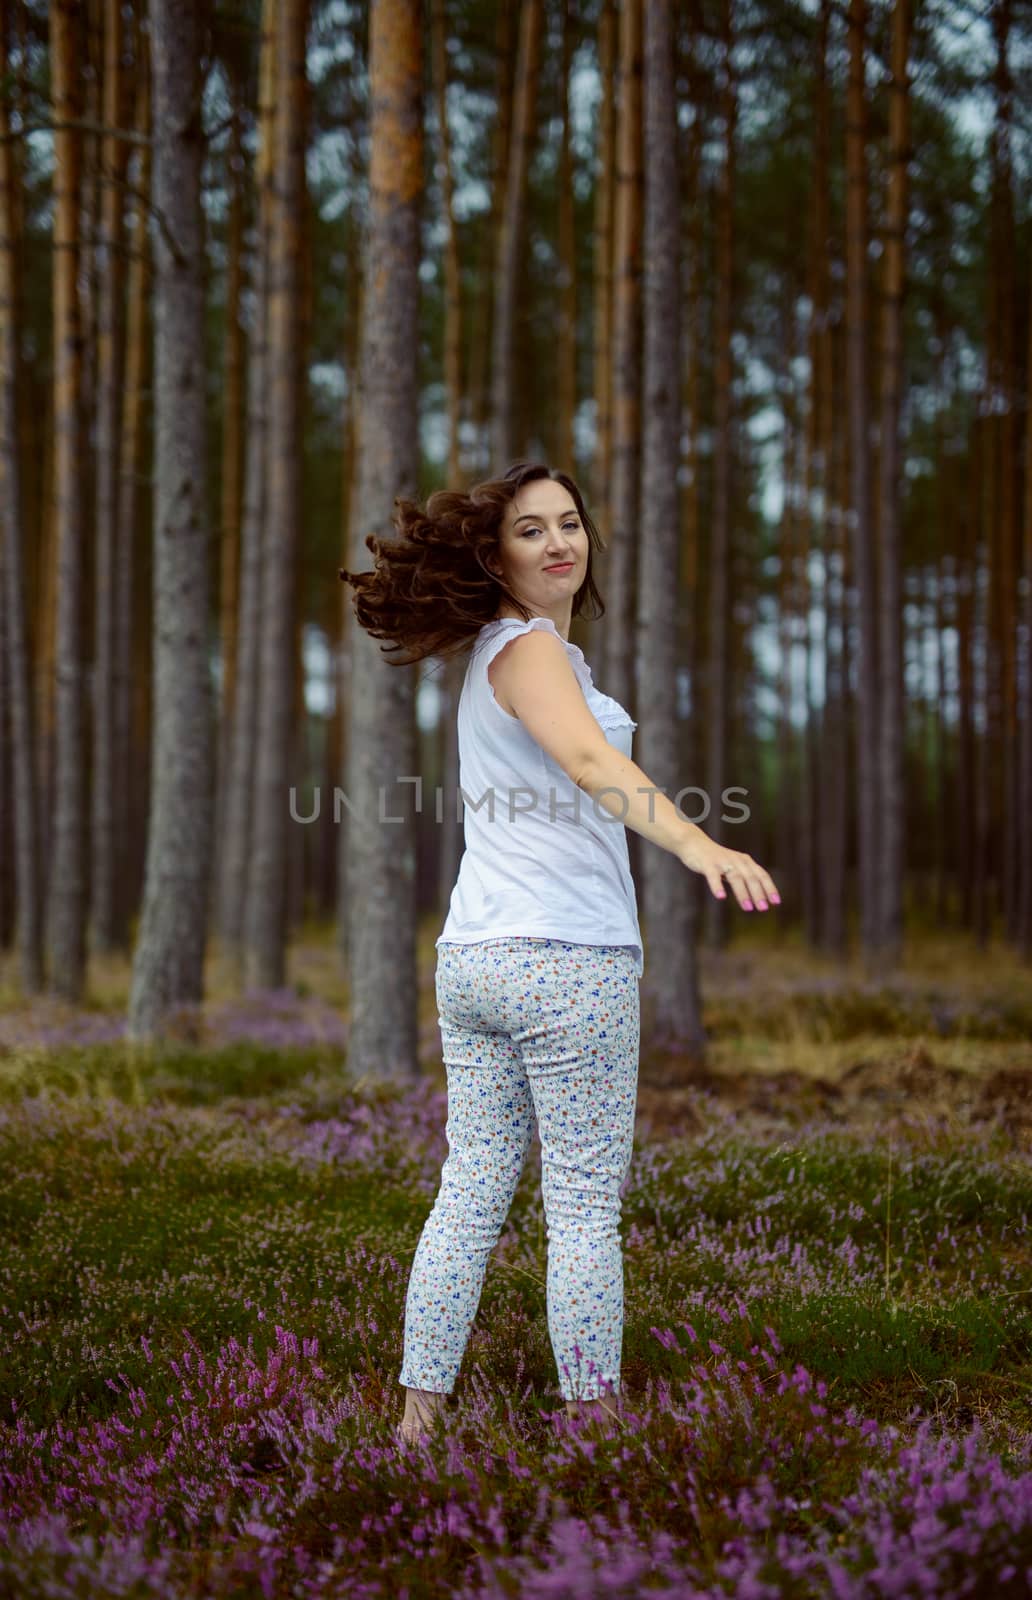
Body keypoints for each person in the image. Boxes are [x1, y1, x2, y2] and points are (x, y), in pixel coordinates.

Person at [338, 460, 780, 1447]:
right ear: (495, 555)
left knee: (473, 1184)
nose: (558, 543)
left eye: (570, 522)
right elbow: (590, 762)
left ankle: (417, 1425)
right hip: (567, 958)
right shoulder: (532, 648)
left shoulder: (505, 654)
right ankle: (598, 1424)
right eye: (531, 529)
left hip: (477, 958)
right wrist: (702, 842)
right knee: (580, 1204)